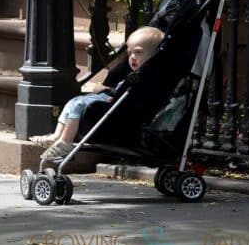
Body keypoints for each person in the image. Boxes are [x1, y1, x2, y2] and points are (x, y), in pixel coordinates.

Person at [29, 26, 165, 160]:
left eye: (138, 52)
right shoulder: (127, 69)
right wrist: (104, 89)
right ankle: (56, 136)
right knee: (73, 101)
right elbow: (108, 82)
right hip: (107, 97)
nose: (133, 57)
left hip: (117, 109)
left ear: (154, 55)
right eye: (130, 53)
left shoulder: (148, 78)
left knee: (78, 104)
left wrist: (109, 93)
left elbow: (133, 99)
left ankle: (66, 141)